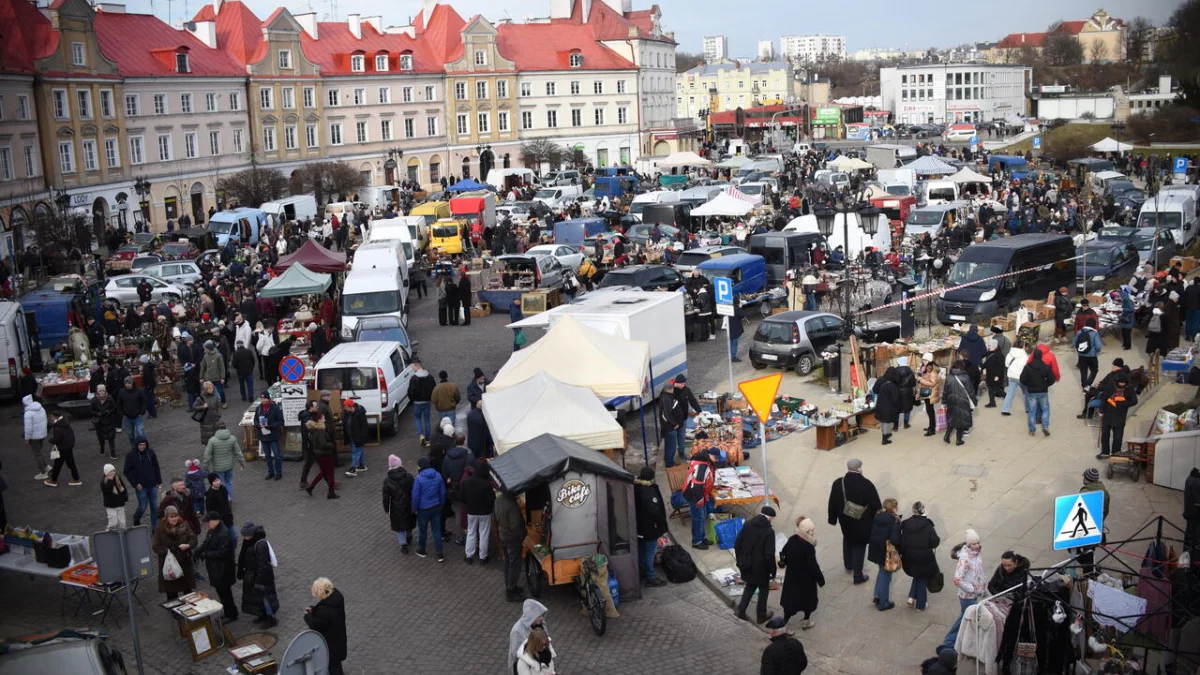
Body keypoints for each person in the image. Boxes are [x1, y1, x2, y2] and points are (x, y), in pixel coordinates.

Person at [827, 458, 880, 584]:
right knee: (859, 546)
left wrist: (832, 519)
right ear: (859, 469)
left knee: (847, 538)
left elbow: (832, 502)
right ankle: (857, 575)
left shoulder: (838, 483)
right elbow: (876, 505)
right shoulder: (867, 484)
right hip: (862, 522)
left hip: (845, 519)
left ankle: (848, 564)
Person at [942, 529, 986, 653]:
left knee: (966, 616)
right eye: (974, 544)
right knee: (968, 616)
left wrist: (982, 587)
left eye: (978, 543)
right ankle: (950, 641)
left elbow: (979, 571)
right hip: (967, 595)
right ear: (968, 544)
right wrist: (973, 589)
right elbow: (957, 580)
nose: (977, 546)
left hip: (975, 593)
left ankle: (951, 641)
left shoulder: (977, 553)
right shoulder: (964, 559)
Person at [734, 505, 778, 624]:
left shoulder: (748, 524)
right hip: (761, 568)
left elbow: (737, 543)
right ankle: (761, 615)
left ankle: (740, 610)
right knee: (763, 589)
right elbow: (769, 555)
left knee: (750, 585)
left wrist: (740, 559)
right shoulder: (769, 532)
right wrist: (773, 570)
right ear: (770, 518)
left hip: (746, 563)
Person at [779, 516, 824, 629]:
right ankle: (806, 621)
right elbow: (813, 565)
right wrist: (820, 579)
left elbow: (784, 553)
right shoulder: (808, 547)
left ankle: (783, 626)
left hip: (792, 577)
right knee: (808, 601)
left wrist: (784, 562)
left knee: (790, 603)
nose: (813, 532)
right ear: (806, 532)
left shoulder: (792, 539)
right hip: (806, 579)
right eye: (811, 530)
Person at [194, 511, 238, 622]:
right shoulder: (213, 530)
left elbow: (222, 552)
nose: (206, 524)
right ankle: (229, 612)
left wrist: (206, 554)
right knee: (221, 592)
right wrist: (199, 551)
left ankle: (231, 614)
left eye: (208, 522)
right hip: (217, 569)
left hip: (223, 570)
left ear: (215, 521)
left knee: (225, 593)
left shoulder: (223, 534)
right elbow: (207, 542)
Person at [899, 501, 941, 612]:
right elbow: (934, 542)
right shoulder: (928, 525)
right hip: (924, 557)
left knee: (917, 574)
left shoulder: (906, 524)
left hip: (909, 557)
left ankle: (911, 597)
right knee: (922, 578)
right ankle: (921, 605)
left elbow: (902, 541)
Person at [151, 505, 197, 601]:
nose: (174, 519)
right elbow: (156, 546)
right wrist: (167, 550)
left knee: (187, 591)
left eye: (175, 516)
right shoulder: (160, 529)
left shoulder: (185, 525)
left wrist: (187, 545)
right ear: (166, 517)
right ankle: (175, 612)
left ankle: (190, 610)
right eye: (171, 517)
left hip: (184, 562)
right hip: (169, 565)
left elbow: (193, 539)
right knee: (172, 594)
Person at [237, 522, 278, 627]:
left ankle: (271, 619)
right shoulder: (251, 541)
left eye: (245, 535)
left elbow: (263, 565)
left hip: (262, 577)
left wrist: (259, 581)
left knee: (266, 598)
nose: (244, 537)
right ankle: (263, 615)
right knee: (259, 598)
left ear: (251, 534)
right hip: (254, 575)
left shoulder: (260, 545)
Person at [633, 466, 668, 586]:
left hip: (638, 526)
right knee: (649, 552)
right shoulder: (649, 491)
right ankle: (651, 576)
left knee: (641, 550)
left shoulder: (634, 487)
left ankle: (641, 570)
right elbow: (655, 511)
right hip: (649, 528)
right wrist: (661, 525)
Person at [304, 578, 348, 675]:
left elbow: (314, 624)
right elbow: (325, 611)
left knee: (333, 667)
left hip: (330, 644)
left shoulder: (324, 611)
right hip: (338, 638)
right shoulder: (337, 597)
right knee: (336, 664)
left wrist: (307, 616)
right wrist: (314, 610)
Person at [868, 498, 902, 611]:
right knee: (886, 576)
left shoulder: (878, 516)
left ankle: (877, 596)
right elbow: (895, 539)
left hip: (875, 548)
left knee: (881, 572)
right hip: (886, 552)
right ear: (893, 508)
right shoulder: (894, 521)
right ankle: (883, 602)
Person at [411, 456, 446, 562]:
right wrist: (441, 504)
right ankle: (439, 553)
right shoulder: (438, 475)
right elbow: (443, 492)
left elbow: (415, 496)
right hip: (436, 507)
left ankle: (422, 550)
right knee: (436, 530)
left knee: (423, 530)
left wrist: (414, 508)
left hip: (423, 509)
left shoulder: (419, 479)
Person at [461, 458, 495, 565]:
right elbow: (491, 500)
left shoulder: (467, 482)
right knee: (484, 533)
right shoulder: (487, 484)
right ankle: (483, 556)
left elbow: (461, 497)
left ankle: (469, 555)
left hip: (471, 511)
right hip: (484, 512)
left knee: (471, 532)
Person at [1097, 371, 1137, 459]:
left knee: (1118, 437)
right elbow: (1105, 398)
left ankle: (1115, 454)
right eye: (1120, 382)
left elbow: (1134, 401)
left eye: (1123, 383)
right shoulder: (1111, 385)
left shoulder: (1129, 388)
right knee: (1105, 435)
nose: (1122, 384)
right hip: (1108, 413)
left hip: (1120, 415)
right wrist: (1101, 410)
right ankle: (1105, 452)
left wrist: (1123, 403)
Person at [496, 488, 528, 601]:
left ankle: (509, 585)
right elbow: (516, 525)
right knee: (514, 563)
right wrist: (522, 535)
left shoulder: (499, 499)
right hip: (512, 538)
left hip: (503, 534)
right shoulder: (512, 506)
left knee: (508, 561)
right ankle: (511, 590)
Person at [124, 437, 162, 528]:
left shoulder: (151, 453)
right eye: (140, 445)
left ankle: (155, 527)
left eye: (144, 444)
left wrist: (158, 481)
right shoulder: (131, 456)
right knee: (142, 507)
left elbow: (156, 467)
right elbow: (126, 471)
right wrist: (135, 484)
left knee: (154, 507)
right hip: (141, 487)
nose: (142, 446)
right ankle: (136, 518)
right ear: (137, 445)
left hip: (152, 484)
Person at [683, 450, 717, 549]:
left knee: (702, 516)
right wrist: (700, 500)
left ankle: (702, 537)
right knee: (698, 518)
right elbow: (696, 486)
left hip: (699, 494)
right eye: (716, 457)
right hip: (694, 496)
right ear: (710, 455)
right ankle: (696, 542)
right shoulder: (702, 467)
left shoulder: (706, 462)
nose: (717, 460)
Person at [203, 422, 244, 501]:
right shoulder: (232, 438)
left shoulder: (212, 440)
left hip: (218, 468)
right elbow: (238, 452)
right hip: (229, 466)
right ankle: (229, 498)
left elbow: (207, 455)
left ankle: (225, 499)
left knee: (220, 484)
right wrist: (242, 462)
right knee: (229, 482)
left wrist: (205, 467)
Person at [507, 600, 549, 675]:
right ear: (532, 616)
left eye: (542, 615)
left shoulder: (541, 624)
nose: (542, 618)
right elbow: (517, 654)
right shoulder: (517, 631)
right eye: (539, 616)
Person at [1020, 347, 1054, 437]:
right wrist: (1047, 384)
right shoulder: (1046, 367)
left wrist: (1028, 384)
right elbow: (1052, 379)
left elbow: (1022, 379)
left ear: (1033, 356)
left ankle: (1032, 430)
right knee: (1045, 409)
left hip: (1031, 392)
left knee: (1032, 411)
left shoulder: (1027, 367)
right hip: (1043, 391)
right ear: (1041, 356)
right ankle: (1045, 426)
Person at [305, 411, 339, 499]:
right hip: (325, 454)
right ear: (319, 420)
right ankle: (331, 492)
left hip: (318, 454)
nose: (325, 419)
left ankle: (311, 487)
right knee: (330, 473)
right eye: (323, 418)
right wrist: (332, 445)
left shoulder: (313, 429)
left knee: (324, 472)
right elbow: (323, 444)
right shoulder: (320, 431)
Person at [44, 410, 80, 487]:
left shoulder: (58, 427)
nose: (51, 419)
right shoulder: (65, 423)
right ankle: (76, 479)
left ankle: (53, 481)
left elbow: (57, 438)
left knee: (57, 464)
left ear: (55, 417)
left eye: (51, 417)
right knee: (71, 463)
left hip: (62, 447)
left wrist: (51, 440)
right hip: (68, 446)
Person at [256, 392, 284, 480]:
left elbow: (281, 421)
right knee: (267, 456)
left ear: (268, 399)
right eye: (262, 399)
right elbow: (255, 421)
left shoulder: (275, 408)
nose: (263, 400)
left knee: (277, 455)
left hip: (273, 435)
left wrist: (271, 425)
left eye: (265, 399)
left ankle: (278, 472)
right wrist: (258, 425)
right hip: (263, 435)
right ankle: (270, 472)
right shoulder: (258, 408)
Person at [407, 360, 436, 445]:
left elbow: (411, 391)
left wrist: (412, 399)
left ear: (417, 366)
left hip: (417, 403)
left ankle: (421, 434)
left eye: (413, 366)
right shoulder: (429, 377)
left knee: (417, 419)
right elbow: (434, 388)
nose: (412, 368)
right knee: (427, 420)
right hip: (427, 402)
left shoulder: (414, 378)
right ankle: (428, 440)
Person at [23, 394, 50, 479]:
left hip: (34, 437)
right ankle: (46, 466)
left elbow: (28, 428)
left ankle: (43, 472)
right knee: (39, 452)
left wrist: (27, 439)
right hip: (42, 434)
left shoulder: (28, 414)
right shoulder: (41, 408)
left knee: (37, 454)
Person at [116, 376, 147, 450]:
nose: (127, 385)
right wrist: (122, 413)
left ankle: (144, 445)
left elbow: (144, 401)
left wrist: (142, 412)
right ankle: (133, 446)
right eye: (126, 383)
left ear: (132, 383)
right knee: (130, 434)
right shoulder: (121, 392)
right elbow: (118, 404)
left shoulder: (138, 391)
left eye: (129, 383)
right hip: (127, 417)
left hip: (137, 416)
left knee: (140, 432)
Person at [872, 367, 901, 445]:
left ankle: (885, 434)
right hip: (888, 405)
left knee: (883, 421)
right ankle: (884, 439)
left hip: (880, 402)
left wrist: (882, 392)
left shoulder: (880, 379)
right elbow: (895, 398)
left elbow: (874, 390)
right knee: (886, 422)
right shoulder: (893, 384)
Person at [90, 384, 120, 459]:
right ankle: (102, 449)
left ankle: (113, 454)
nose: (102, 392)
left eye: (103, 390)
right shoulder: (94, 400)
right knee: (101, 438)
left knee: (111, 437)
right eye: (100, 391)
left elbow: (115, 408)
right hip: (99, 423)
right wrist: (98, 413)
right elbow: (90, 411)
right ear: (97, 392)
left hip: (109, 421)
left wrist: (108, 412)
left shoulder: (109, 398)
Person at [1075, 316, 1103, 390]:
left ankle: (1084, 385)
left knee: (1083, 371)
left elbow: (1074, 344)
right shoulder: (1094, 333)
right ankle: (1088, 386)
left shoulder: (1079, 332)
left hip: (1081, 355)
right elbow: (1098, 346)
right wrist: (1097, 352)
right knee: (1094, 370)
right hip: (1092, 356)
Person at [917, 353, 941, 437]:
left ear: (930, 360)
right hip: (926, 391)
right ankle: (931, 426)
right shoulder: (925, 368)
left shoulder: (932, 370)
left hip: (931, 393)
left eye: (925, 360)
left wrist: (921, 380)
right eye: (923, 360)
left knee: (930, 411)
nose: (923, 361)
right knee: (929, 410)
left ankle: (932, 429)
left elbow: (933, 383)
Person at [1001, 341, 1028, 416]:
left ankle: (1005, 410)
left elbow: (1006, 364)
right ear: (1022, 346)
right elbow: (1026, 367)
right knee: (1026, 392)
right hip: (1020, 376)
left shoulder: (1010, 353)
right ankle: (1028, 408)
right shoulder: (1024, 355)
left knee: (1010, 393)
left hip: (1011, 375)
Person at [101, 463, 129, 530]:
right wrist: (110, 480)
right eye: (110, 471)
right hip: (111, 505)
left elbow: (123, 487)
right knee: (113, 523)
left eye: (113, 471)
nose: (112, 473)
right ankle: (108, 532)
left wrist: (124, 497)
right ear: (106, 473)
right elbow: (108, 492)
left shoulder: (117, 478)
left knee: (122, 523)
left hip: (120, 503)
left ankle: (122, 537)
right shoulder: (104, 482)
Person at [199, 341, 227, 407]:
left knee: (220, 391)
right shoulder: (205, 356)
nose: (204, 350)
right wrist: (201, 377)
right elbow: (203, 367)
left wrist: (223, 377)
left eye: (205, 348)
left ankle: (224, 402)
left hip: (217, 378)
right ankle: (213, 403)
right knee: (209, 392)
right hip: (209, 378)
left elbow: (222, 367)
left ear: (209, 349)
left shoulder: (218, 356)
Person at [196, 381, 222, 447]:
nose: (212, 390)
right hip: (206, 420)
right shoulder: (200, 398)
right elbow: (195, 407)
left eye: (212, 388)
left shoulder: (215, 397)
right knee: (207, 437)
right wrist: (202, 406)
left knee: (216, 434)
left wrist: (219, 414)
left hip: (215, 418)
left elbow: (218, 406)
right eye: (210, 388)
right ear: (206, 389)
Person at [982, 339, 1007, 408]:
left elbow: (1001, 367)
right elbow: (987, 363)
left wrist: (997, 376)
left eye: (990, 346)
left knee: (997, 389)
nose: (989, 347)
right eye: (989, 345)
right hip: (989, 374)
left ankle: (1007, 397)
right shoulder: (989, 353)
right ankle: (992, 402)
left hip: (995, 376)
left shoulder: (1000, 355)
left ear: (995, 347)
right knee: (990, 388)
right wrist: (981, 366)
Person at [1183, 467, 1200, 559]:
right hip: (1196, 516)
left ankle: (1186, 560)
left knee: (1189, 538)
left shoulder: (1190, 479)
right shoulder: (1196, 482)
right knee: (1196, 540)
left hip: (1190, 514)